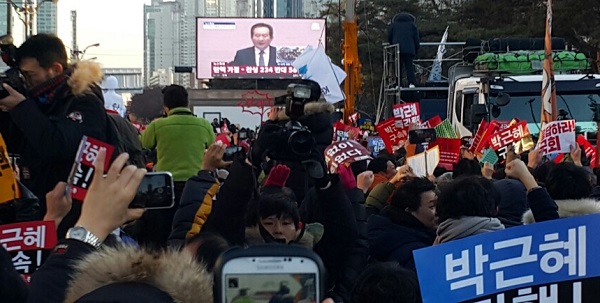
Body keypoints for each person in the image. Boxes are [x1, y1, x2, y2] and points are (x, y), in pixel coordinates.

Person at [0, 34, 108, 223]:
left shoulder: (83, 101)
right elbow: (15, 142)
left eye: (30, 75)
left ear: (55, 69)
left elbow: (58, 145)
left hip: (77, 214)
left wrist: (21, 108)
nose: (26, 81)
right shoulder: (38, 102)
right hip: (39, 206)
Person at [137, 84, 215, 248]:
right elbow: (213, 147)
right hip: (195, 188)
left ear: (166, 107)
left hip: (164, 189)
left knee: (161, 235)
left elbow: (142, 145)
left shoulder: (157, 126)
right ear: (187, 103)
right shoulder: (204, 125)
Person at [367, 177, 437, 271]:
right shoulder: (409, 252)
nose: (438, 211)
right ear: (409, 211)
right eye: (432, 206)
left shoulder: (420, 234)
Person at [387, 13, 420, 87]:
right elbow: (416, 38)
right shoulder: (412, 25)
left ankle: (398, 83)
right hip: (409, 49)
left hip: (397, 48)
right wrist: (416, 49)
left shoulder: (394, 25)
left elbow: (389, 36)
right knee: (409, 67)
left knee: (398, 67)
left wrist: (392, 44)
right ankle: (411, 82)